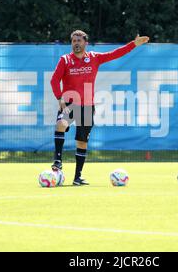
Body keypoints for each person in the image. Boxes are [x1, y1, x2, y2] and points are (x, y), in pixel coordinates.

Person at [50, 30, 149, 185]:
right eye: (73, 41)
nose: (76, 43)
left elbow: (115, 54)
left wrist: (133, 44)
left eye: (79, 40)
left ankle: (77, 177)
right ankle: (57, 161)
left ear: (85, 43)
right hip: (70, 103)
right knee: (61, 124)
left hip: (88, 106)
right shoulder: (65, 60)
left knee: (82, 142)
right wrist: (59, 97)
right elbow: (54, 80)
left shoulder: (94, 58)